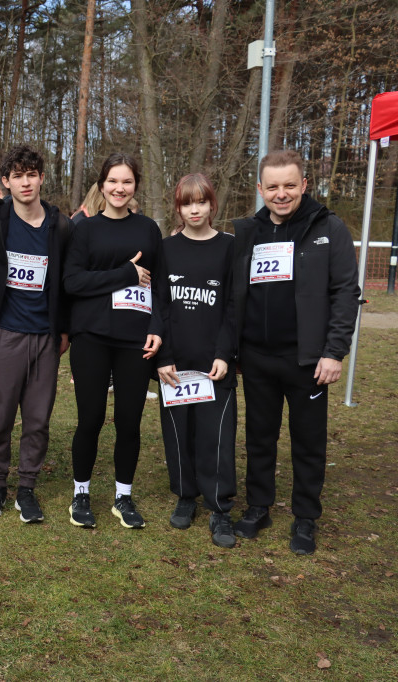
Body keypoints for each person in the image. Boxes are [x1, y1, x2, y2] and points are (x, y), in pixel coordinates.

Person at [231, 150, 360, 555]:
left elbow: (345, 293)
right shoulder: (248, 231)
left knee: (308, 441)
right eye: (272, 186)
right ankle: (258, 506)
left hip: (308, 360)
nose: (281, 194)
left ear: (304, 185)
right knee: (259, 437)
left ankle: (305, 518)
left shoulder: (328, 228)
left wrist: (334, 352)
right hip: (256, 358)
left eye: (289, 185)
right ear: (260, 189)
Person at [63, 153, 169, 529]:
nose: (119, 188)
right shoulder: (85, 230)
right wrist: (124, 273)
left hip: (134, 341)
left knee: (129, 421)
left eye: (126, 182)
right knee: (90, 419)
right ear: (101, 185)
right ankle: (81, 493)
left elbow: (159, 284)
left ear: (135, 185)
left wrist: (157, 327)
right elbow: (72, 282)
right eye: (112, 181)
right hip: (91, 336)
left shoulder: (148, 229)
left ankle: (123, 497)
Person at [0, 145, 71, 523]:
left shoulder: (60, 226)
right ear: (6, 182)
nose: (26, 182)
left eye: (32, 174)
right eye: (18, 175)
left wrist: (64, 329)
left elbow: (67, 283)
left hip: (45, 337)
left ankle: (27, 487)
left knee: (37, 419)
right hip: (6, 333)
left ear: (42, 177)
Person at [154, 173, 237, 548]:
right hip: (175, 363)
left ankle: (220, 507)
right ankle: (186, 496)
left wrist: (224, 353)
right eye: (187, 203)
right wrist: (163, 356)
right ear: (178, 208)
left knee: (215, 436)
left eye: (200, 202)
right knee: (179, 434)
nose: (194, 209)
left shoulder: (229, 248)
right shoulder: (166, 249)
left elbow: (234, 308)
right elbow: (158, 306)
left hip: (214, 363)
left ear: (212, 204)